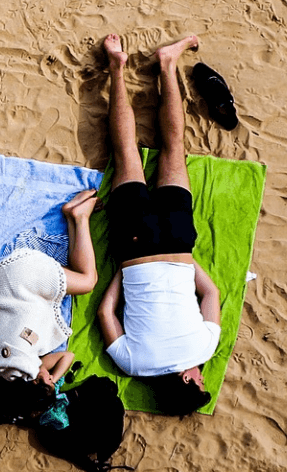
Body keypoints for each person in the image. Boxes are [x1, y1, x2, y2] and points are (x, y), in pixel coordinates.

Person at [94, 34, 221, 416]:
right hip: (133, 249)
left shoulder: (204, 348)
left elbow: (210, 294)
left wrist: (184, 259)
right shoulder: (131, 365)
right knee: (126, 155)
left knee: (173, 148)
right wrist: (123, 269)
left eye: (199, 380)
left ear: (186, 381)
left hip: (179, 242)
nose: (201, 374)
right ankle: (117, 67)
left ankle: (167, 63)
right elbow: (106, 313)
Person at [0, 189, 98, 422]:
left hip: (20, 279)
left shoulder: (29, 363)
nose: (51, 378)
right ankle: (73, 215)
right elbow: (67, 356)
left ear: (35, 380)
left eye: (47, 380)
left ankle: (81, 217)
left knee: (88, 281)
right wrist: (51, 379)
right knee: (76, 276)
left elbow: (66, 355)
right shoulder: (10, 368)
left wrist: (50, 379)